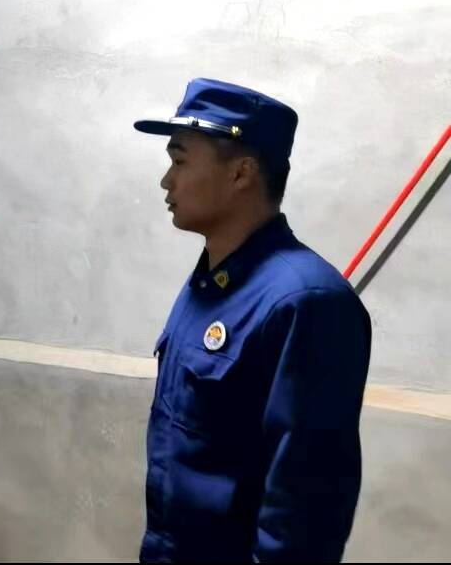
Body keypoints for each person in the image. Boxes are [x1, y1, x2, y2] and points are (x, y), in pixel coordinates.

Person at [133, 78, 372, 562]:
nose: (166, 181)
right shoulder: (208, 284)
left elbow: (303, 512)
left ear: (241, 172)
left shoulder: (307, 301)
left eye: (180, 161)